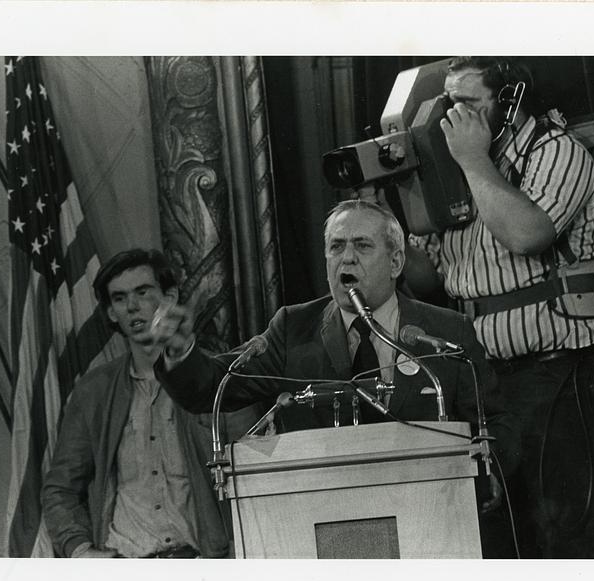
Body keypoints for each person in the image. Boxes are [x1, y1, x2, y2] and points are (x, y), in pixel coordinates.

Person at [149, 199, 517, 520]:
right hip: (324, 518)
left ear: (396, 261)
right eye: (336, 247)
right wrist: (181, 350)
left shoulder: (445, 331)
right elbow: (215, 386)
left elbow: (494, 421)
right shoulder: (294, 328)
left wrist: (489, 473)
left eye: (362, 245)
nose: (347, 258)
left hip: (428, 513)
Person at [404, 57, 594, 558]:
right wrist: (396, 222)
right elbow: (432, 281)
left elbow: (529, 235)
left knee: (568, 538)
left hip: (562, 376)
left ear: (508, 100)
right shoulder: (453, 170)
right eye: (447, 103)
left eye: (466, 103)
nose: (451, 116)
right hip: (487, 384)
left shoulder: (555, 152)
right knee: (506, 538)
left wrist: (473, 161)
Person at [42, 248, 255, 558]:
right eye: (119, 298)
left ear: (169, 298)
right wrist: (81, 551)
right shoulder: (94, 391)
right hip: (127, 569)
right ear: (111, 312)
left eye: (142, 292)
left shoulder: (219, 380)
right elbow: (60, 488)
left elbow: (253, 473)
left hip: (205, 566)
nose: (132, 306)